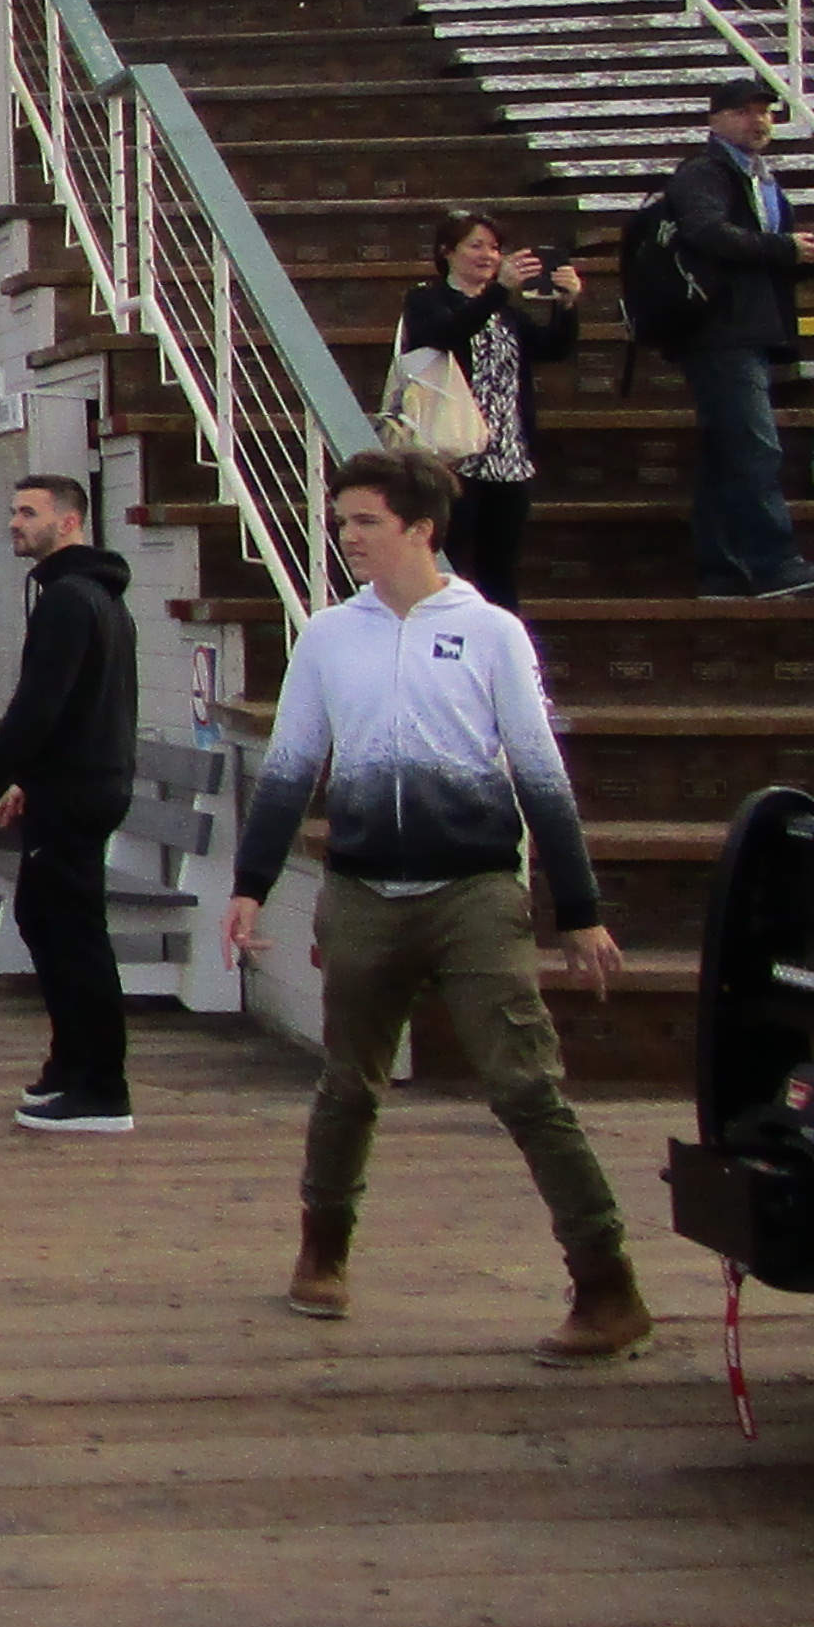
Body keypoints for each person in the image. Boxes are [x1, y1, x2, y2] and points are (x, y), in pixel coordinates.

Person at [221, 447, 651, 1365]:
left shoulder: (492, 632)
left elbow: (541, 773)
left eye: (366, 521)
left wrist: (579, 907)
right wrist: (250, 889)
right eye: (341, 522)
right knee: (348, 1083)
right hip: (365, 888)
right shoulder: (331, 637)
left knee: (526, 1085)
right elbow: (292, 770)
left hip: (475, 891)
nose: (348, 537)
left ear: (420, 529)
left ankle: (607, 1284)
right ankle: (323, 1250)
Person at [0, 473, 139, 1134]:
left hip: (80, 790)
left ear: (69, 522)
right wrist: (29, 778)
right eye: (12, 510)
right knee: (43, 917)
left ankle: (101, 1087)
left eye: (28, 512)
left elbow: (37, 708)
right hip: (84, 781)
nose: (14, 523)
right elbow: (81, 706)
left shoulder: (69, 602)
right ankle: (69, 1068)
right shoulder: (97, 599)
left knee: (72, 935)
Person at [666, 74, 814, 601]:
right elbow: (706, 232)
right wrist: (783, 249)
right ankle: (773, 562)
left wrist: (806, 258)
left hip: (750, 328)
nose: (759, 121)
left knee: (729, 450)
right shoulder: (704, 173)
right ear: (715, 120)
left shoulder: (762, 180)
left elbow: (766, 258)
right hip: (717, 332)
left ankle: (719, 570)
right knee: (754, 446)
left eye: (765, 112)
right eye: (745, 112)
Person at [396, 209, 582, 613]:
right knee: (451, 559)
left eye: (495, 248)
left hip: (507, 457)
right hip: (454, 453)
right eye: (476, 245)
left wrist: (566, 307)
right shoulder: (426, 299)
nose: (488, 255)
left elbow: (551, 348)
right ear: (447, 252)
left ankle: (499, 650)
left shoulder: (506, 312)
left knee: (500, 567)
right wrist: (498, 291)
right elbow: (445, 334)